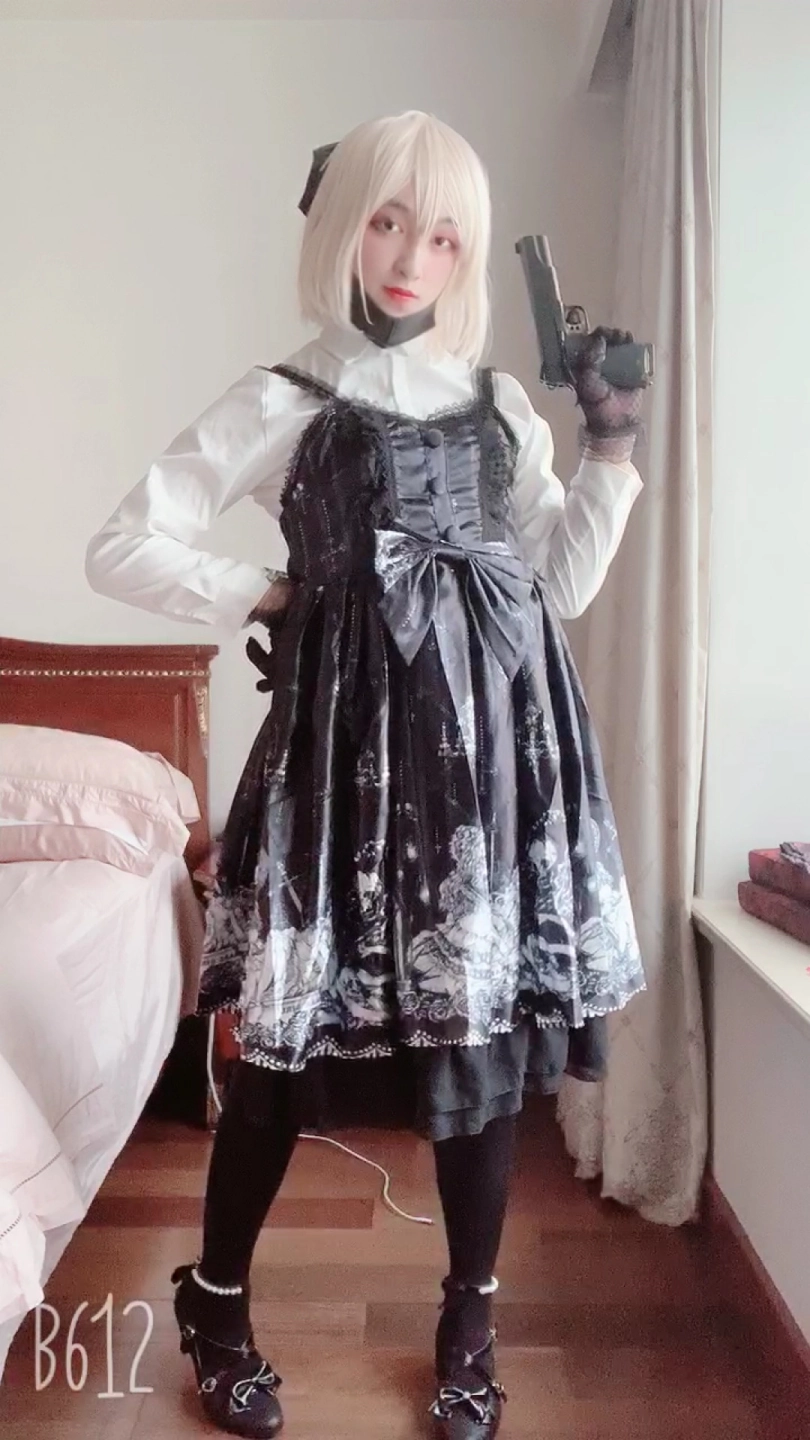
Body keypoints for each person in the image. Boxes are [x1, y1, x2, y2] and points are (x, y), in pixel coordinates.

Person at [86, 110, 646, 1440]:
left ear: (466, 254)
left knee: (477, 1051)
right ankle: (216, 1300)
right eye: (387, 222)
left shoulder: (500, 407)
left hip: (493, 774)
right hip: (340, 773)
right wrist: (276, 587)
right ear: (341, 225)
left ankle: (470, 1318)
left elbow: (559, 583)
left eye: (442, 235)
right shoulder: (284, 399)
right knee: (281, 1056)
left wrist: (613, 444)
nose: (409, 257)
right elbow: (124, 543)